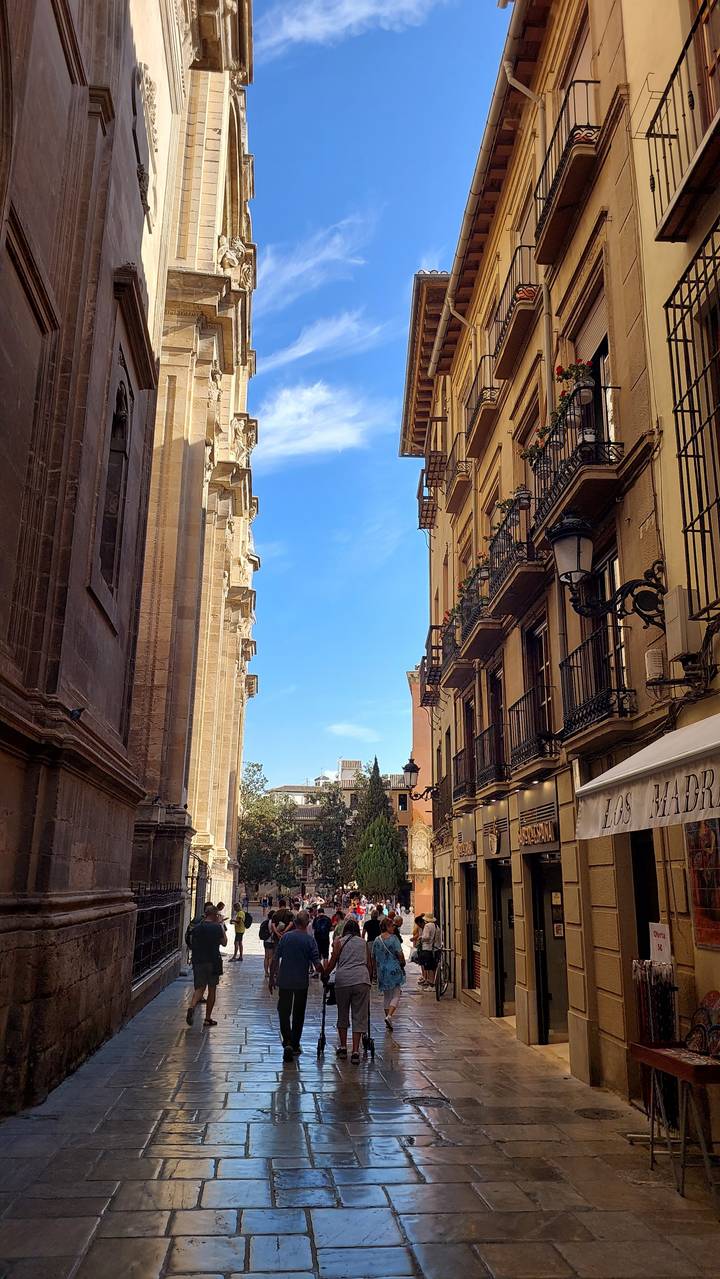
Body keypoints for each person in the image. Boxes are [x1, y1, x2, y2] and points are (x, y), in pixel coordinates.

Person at [272, 910, 322, 1061]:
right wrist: (325, 974)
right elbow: (316, 963)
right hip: (301, 982)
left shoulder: (286, 937)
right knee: (299, 1013)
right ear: (307, 924)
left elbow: (276, 958)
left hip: (285, 980)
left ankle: (287, 1040)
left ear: (295, 923)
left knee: (284, 1011)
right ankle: (294, 1044)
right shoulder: (309, 940)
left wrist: (271, 978)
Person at [324, 917, 372, 1063]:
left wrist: (325, 974)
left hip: (343, 980)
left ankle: (344, 1047)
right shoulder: (363, 943)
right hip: (361, 980)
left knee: (342, 1013)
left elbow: (333, 961)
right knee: (359, 1014)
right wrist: (369, 978)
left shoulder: (339, 942)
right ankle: (356, 1050)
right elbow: (369, 964)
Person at [186, 904, 225, 1028]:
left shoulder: (197, 928)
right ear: (214, 915)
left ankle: (192, 1006)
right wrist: (221, 925)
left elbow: (191, 942)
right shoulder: (217, 927)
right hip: (213, 961)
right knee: (212, 989)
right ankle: (207, 1018)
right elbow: (224, 942)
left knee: (199, 988)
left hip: (198, 961)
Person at [372, 913, 406, 1030]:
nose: (393, 928)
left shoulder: (377, 940)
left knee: (387, 996)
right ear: (386, 927)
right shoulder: (394, 939)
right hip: (394, 969)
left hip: (382, 970)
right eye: (392, 926)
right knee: (396, 994)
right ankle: (390, 1016)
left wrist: (373, 972)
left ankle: (388, 1018)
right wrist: (402, 963)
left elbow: (373, 956)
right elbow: (400, 953)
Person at [419, 912, 441, 988]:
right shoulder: (437, 926)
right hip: (436, 949)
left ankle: (431, 984)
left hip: (428, 949)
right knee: (434, 967)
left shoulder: (427, 926)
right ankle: (435, 983)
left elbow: (426, 937)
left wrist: (421, 938)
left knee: (429, 968)